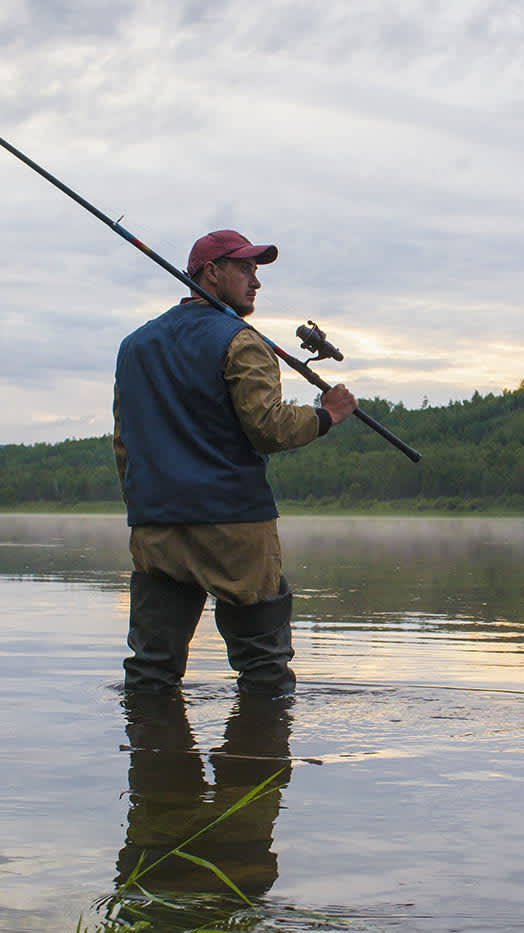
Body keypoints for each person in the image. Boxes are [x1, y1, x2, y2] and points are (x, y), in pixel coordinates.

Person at [113, 229, 357, 696]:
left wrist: (144, 507)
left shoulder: (134, 346)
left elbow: (125, 441)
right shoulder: (244, 342)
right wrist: (327, 416)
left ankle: (154, 760)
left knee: (151, 672)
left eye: (256, 270)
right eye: (245, 268)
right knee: (264, 669)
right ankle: (260, 762)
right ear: (211, 272)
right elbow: (268, 428)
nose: (256, 282)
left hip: (156, 527)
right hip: (235, 528)